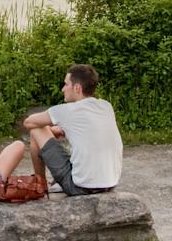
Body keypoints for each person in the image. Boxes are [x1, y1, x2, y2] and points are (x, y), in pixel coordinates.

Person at [23, 64, 122, 195]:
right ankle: (53, 182)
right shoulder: (106, 106)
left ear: (77, 88)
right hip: (110, 183)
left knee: (36, 130)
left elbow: (28, 122)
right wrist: (60, 129)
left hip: (80, 187)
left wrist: (50, 129)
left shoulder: (67, 111)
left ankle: (40, 184)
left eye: (65, 84)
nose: (63, 89)